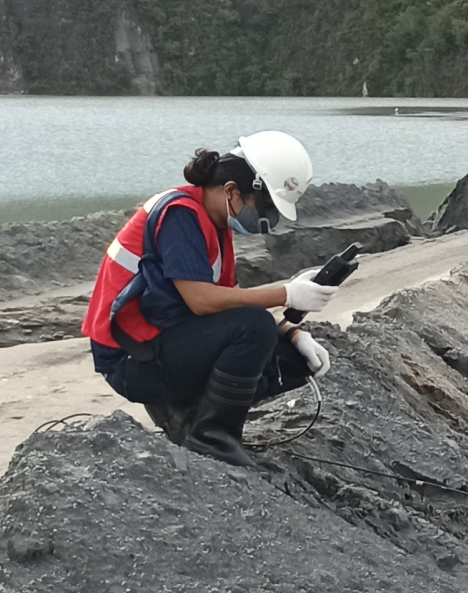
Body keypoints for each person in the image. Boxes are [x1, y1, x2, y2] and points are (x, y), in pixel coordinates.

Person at [83, 133, 336, 467]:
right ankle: (211, 438)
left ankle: (190, 414)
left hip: (162, 343)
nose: (265, 217)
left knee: (291, 359)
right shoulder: (180, 215)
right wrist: (286, 294)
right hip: (132, 360)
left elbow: (232, 301)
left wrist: (293, 333)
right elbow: (202, 301)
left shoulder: (216, 226)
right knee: (255, 328)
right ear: (231, 191)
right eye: (264, 206)